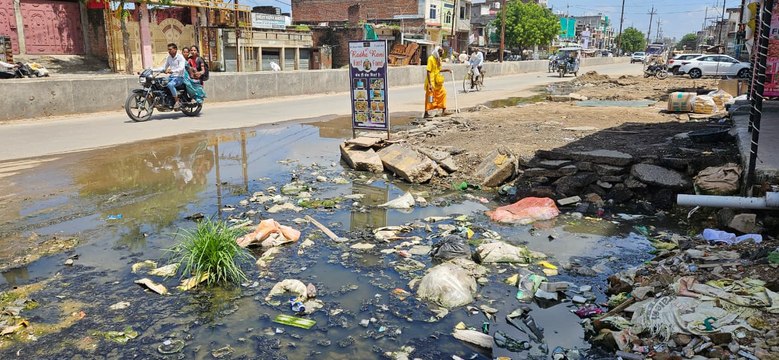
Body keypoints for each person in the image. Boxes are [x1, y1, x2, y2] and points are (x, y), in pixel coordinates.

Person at [153, 43, 187, 109]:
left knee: (170, 85)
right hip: (172, 77)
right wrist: (151, 69)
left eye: (170, 49)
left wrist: (172, 70)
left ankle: (177, 101)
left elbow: (181, 68)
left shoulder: (180, 57)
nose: (169, 51)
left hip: (179, 77)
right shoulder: (169, 58)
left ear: (175, 49)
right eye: (168, 50)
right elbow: (163, 68)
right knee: (158, 82)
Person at [423, 46, 451, 118]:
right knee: (430, 97)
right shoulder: (431, 59)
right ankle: (426, 112)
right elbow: (428, 71)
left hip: (437, 81)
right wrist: (430, 84)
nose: (441, 54)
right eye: (440, 53)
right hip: (431, 81)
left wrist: (447, 70)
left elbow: (438, 70)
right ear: (437, 52)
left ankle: (444, 110)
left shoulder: (438, 59)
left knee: (443, 93)